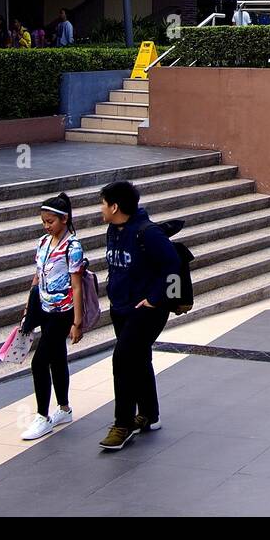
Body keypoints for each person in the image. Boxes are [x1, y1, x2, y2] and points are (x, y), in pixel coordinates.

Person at [98, 180, 179, 451]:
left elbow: (173, 264)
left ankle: (123, 424)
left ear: (115, 206)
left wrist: (156, 299)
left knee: (122, 361)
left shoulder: (147, 233)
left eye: (103, 203)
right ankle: (149, 414)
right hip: (121, 307)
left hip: (146, 311)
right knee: (139, 358)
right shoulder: (114, 229)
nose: (101, 208)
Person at [19, 193, 85, 441]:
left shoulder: (73, 247)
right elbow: (37, 276)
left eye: (51, 222)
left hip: (63, 312)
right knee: (57, 358)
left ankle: (42, 417)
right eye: (44, 222)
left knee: (39, 362)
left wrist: (77, 323)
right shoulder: (43, 243)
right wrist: (29, 306)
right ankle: (64, 408)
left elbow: (76, 286)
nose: (47, 226)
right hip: (44, 309)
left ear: (64, 219)